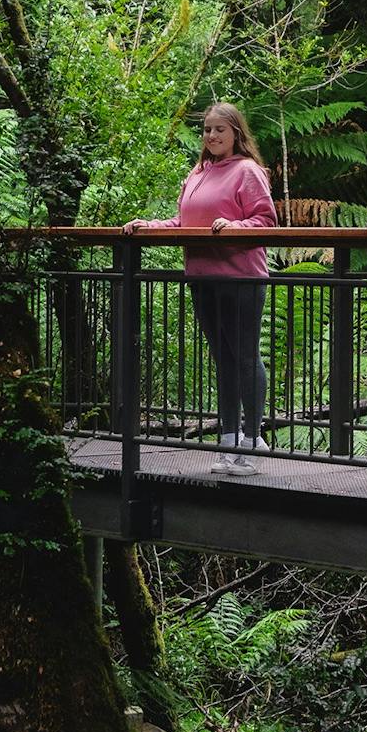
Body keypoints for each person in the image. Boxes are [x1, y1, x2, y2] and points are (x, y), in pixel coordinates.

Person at [124, 103, 277, 475]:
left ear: (236, 134)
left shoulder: (248, 171)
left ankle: (252, 442)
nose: (211, 136)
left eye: (219, 130)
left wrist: (235, 227)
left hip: (240, 276)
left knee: (243, 356)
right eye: (207, 130)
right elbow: (185, 221)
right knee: (223, 359)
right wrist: (151, 226)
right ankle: (227, 442)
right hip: (203, 276)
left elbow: (265, 219)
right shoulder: (198, 173)